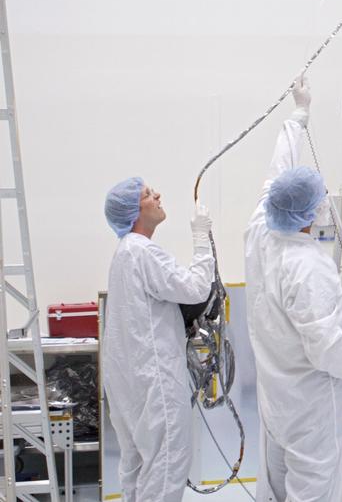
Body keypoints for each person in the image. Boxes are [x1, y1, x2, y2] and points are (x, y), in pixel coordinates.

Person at [246, 77, 342, 501]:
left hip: (276, 398)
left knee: (274, 487)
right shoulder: (311, 268)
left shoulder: (260, 234)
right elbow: (327, 352)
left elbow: (276, 176)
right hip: (311, 405)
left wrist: (298, 116)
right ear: (312, 210)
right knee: (315, 490)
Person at [101, 178, 215, 501]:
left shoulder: (124, 254)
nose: (158, 195)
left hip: (130, 389)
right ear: (134, 211)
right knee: (166, 467)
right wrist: (201, 237)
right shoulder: (142, 251)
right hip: (156, 386)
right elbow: (196, 288)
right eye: (148, 195)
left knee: (137, 472)